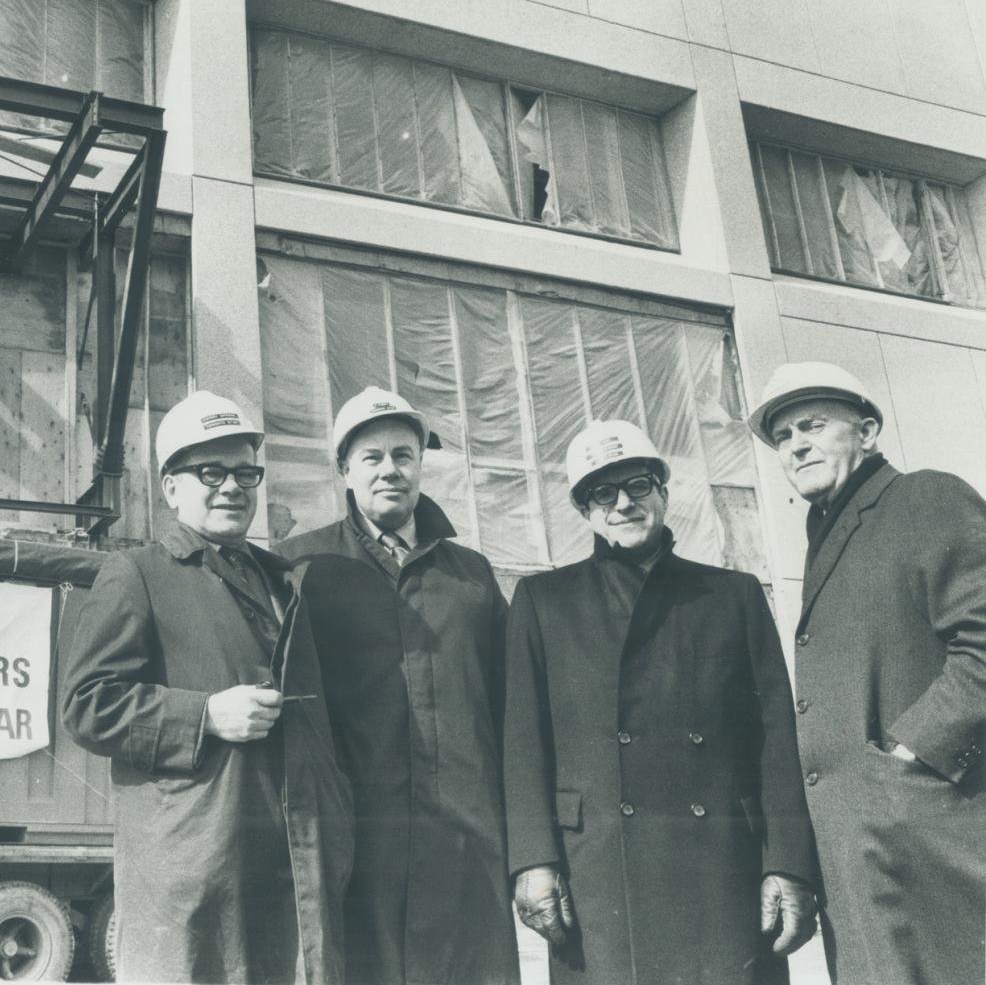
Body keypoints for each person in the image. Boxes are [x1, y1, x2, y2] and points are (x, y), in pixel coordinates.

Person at [503, 420, 819, 985]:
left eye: (639, 485)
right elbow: (523, 742)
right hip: (596, 871)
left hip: (723, 866)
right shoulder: (543, 601)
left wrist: (789, 863)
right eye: (604, 492)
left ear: (665, 494)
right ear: (585, 511)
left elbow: (775, 738)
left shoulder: (734, 594)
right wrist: (533, 860)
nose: (624, 503)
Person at [60, 390, 352, 984]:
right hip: (197, 869)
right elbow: (87, 706)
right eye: (210, 472)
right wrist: (206, 716)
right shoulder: (138, 572)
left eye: (246, 473)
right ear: (171, 489)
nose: (232, 488)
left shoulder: (281, 580)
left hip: (288, 862)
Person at [750, 361, 986, 985]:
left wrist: (915, 751)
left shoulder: (926, 496)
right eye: (782, 436)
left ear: (869, 430)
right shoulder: (829, 530)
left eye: (813, 424)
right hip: (861, 852)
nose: (795, 443)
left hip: (930, 835)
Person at [277, 386, 519, 985]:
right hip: (357, 845)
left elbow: (515, 710)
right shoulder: (300, 569)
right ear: (344, 471)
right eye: (372, 457)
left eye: (404, 455)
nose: (391, 469)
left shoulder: (471, 575)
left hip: (466, 845)